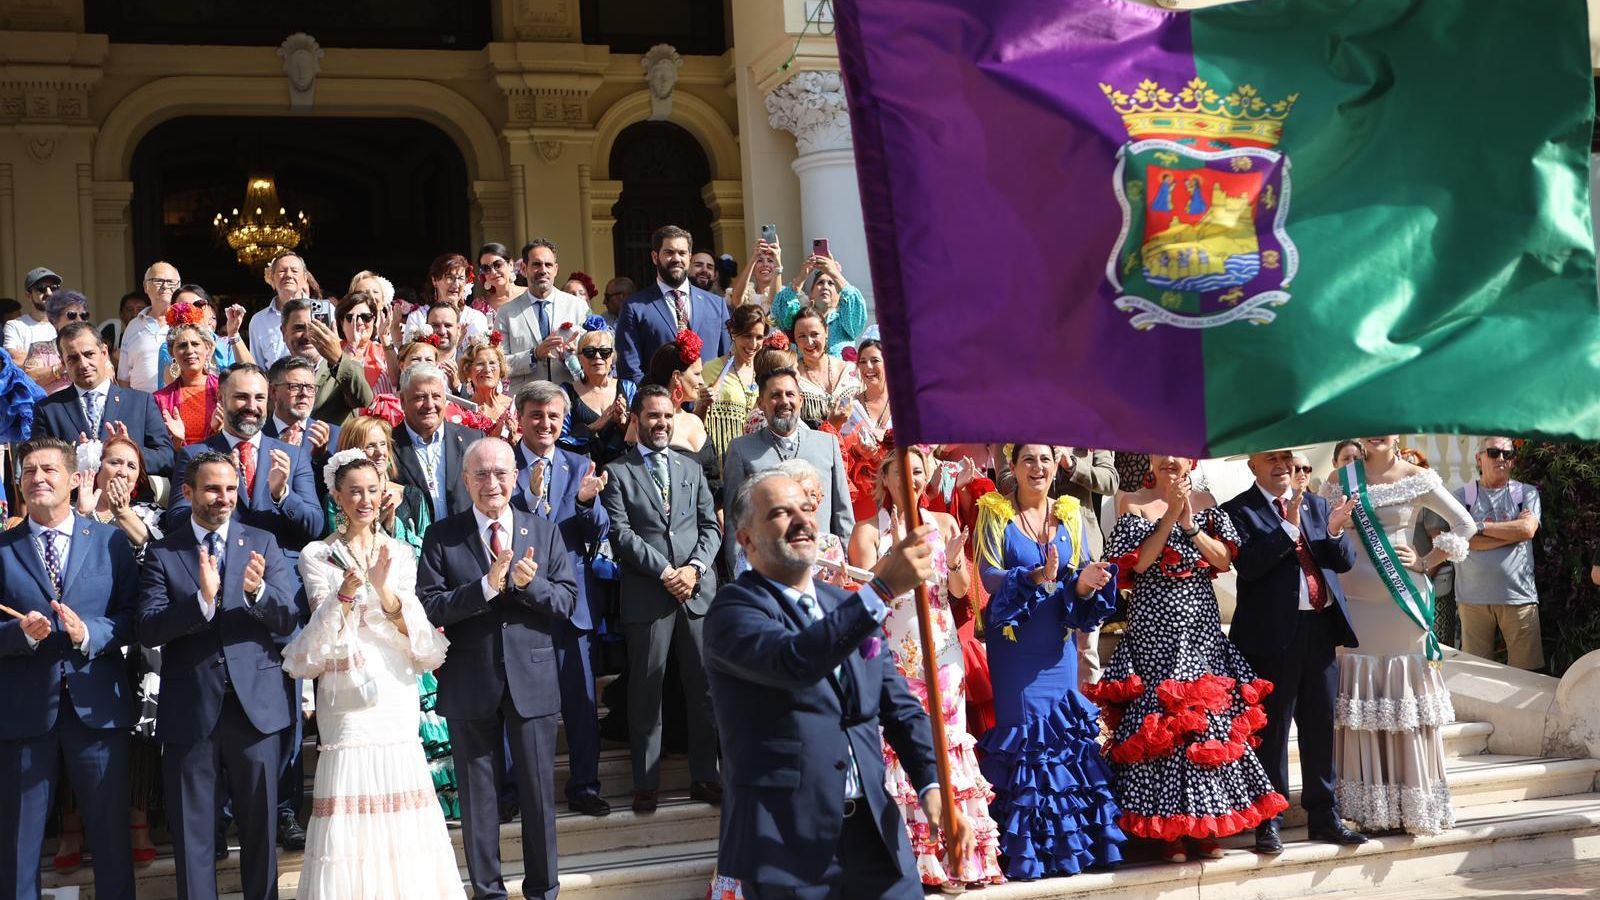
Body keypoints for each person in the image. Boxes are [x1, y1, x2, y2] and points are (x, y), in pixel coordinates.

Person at [703, 469, 972, 898]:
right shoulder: (732, 613)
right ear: (746, 539)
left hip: (876, 837)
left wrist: (932, 784)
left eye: (807, 509)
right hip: (786, 845)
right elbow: (796, 661)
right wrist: (881, 590)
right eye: (779, 512)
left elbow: (900, 708)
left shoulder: (846, 605)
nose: (801, 520)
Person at [282, 450, 466, 899]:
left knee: (401, 789)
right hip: (346, 692)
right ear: (337, 497)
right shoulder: (317, 555)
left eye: (372, 490)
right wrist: (344, 595)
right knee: (348, 789)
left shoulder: (400, 551)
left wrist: (383, 591)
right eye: (354, 492)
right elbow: (320, 635)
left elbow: (414, 632)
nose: (365, 500)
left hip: (394, 686)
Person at [1091, 454, 1286, 863]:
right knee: (1160, 729)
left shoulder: (1207, 501)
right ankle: (1167, 834)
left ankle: (1202, 825)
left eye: (1176, 454)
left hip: (1198, 631)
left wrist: (1189, 523)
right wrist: (1168, 518)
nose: (1168, 461)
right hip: (1153, 634)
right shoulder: (1134, 501)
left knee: (1203, 727)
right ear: (1150, 460)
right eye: (1160, 454)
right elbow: (1139, 563)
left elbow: (1223, 559)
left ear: (1189, 461)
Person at [417, 437, 579, 900]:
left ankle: (543, 891)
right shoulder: (442, 536)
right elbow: (430, 606)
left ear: (517, 477)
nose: (492, 482)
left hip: (533, 679)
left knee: (537, 796)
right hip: (471, 681)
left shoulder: (543, 531)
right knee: (478, 799)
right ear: (465, 480)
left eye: (501, 473)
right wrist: (484, 588)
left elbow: (567, 602)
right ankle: (488, 892)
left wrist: (531, 586)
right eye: (481, 474)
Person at [136, 450, 301, 900]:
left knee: (260, 826)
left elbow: (288, 619)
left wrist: (258, 592)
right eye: (212, 488)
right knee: (193, 832)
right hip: (190, 708)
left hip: (257, 707)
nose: (223, 498)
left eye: (230, 488)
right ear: (187, 492)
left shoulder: (262, 542)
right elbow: (148, 626)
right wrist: (201, 603)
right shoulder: (163, 552)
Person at [847, 446, 1005, 890]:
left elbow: (960, 592)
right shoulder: (868, 531)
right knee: (899, 749)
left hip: (942, 651)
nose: (912, 479)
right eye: (902, 472)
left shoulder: (946, 524)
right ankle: (909, 862)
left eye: (919, 471)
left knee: (946, 746)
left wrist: (956, 559)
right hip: (893, 654)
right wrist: (895, 552)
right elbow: (862, 599)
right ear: (886, 478)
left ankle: (958, 859)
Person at [974, 443, 1124, 879]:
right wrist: (1036, 576)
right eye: (1028, 461)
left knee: (1063, 740)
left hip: (1057, 648)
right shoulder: (995, 511)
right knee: (1027, 745)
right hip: (1015, 648)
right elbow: (987, 574)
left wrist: (1086, 582)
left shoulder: (1070, 512)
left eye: (1044, 459)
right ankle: (1031, 853)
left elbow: (1073, 576)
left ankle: (1069, 850)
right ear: (1013, 468)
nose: (1037, 467)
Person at [0, 437, 139, 900]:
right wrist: (18, 635)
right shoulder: (2, 548)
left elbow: (134, 617)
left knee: (111, 841)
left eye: (48, 470)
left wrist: (88, 634)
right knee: (18, 846)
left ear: (76, 479)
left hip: (97, 711)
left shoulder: (110, 541)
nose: (37, 478)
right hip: (23, 715)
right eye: (28, 471)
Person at [1220, 448, 1367, 854]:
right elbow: (1248, 566)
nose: (1282, 465)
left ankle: (1325, 816)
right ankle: (1269, 819)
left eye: (1287, 457)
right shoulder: (1239, 510)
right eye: (1272, 459)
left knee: (1320, 726)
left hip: (1319, 629)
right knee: (1272, 732)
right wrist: (1286, 528)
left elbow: (1343, 562)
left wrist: (1335, 532)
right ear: (1253, 466)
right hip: (1270, 638)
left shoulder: (1318, 504)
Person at [1327, 435, 1473, 835]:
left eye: (1387, 427)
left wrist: (1428, 560)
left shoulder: (1417, 477)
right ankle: (1369, 806)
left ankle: (1413, 802)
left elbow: (1465, 522)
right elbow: (1325, 530)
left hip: (1401, 603)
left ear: (1397, 434)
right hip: (1353, 604)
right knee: (1363, 698)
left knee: (1401, 697)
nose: (1378, 432)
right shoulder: (1341, 477)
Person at [599, 385, 722, 813]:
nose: (662, 424)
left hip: (696, 591)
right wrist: (666, 572)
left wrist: (694, 570)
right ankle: (645, 783)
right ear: (636, 420)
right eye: (653, 416)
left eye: (668, 416)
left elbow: (711, 526)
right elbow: (621, 534)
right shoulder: (617, 472)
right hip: (648, 593)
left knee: (703, 688)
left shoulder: (690, 468)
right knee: (646, 689)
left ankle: (706, 776)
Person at [511, 382, 613, 817]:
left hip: (574, 605)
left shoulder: (578, 464)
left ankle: (584, 785)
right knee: (517, 706)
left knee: (581, 705)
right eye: (536, 415)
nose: (545, 424)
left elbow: (600, 530)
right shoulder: (501, 464)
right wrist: (531, 497)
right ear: (520, 418)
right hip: (520, 604)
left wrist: (588, 503)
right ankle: (514, 790)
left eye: (554, 416)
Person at [167, 364, 325, 550]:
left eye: (259, 398)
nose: (252, 406)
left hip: (279, 570)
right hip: (217, 564)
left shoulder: (293, 455)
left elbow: (314, 527)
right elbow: (176, 522)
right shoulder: (195, 454)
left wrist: (282, 495)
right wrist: (220, 497)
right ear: (221, 398)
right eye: (241, 397)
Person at [722, 366, 854, 569]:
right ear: (761, 404)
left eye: (790, 394)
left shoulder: (828, 444)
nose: (784, 401)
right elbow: (735, 520)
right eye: (775, 395)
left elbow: (843, 514)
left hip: (823, 568)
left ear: (800, 400)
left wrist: (846, 565)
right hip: (769, 570)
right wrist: (738, 572)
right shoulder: (742, 449)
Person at [38, 321, 174, 478]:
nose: (83, 364)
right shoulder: (48, 409)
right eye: (73, 359)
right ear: (63, 363)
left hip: (132, 499)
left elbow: (166, 458)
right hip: (74, 499)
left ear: (104, 353)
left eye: (89, 354)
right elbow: (39, 463)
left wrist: (130, 451)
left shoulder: (141, 403)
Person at [1454, 436, 1544, 671]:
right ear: (1479, 458)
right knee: (1475, 675)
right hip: (1472, 600)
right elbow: (1460, 540)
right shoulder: (1462, 497)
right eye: (1493, 453)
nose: (1501, 459)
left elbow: (1527, 529)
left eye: (1507, 454)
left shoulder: (1526, 493)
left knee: (1527, 678)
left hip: (1518, 597)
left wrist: (1480, 527)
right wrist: (1510, 534)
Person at [616, 225, 731, 382]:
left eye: (682, 253)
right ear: (655, 257)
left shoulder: (717, 305)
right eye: (669, 253)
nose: (676, 259)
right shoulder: (635, 307)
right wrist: (653, 401)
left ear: (689, 257)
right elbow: (630, 368)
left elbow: (726, 358)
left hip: (709, 400)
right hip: (661, 402)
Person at [391, 363, 483, 523]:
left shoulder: (472, 440)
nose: (429, 405)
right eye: (420, 397)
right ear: (403, 401)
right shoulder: (388, 445)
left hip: (463, 543)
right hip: (412, 544)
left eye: (436, 396)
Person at [497, 239, 588, 391]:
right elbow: (499, 364)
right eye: (537, 264)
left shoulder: (577, 306)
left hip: (571, 396)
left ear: (556, 269)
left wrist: (574, 356)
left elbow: (594, 354)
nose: (543, 270)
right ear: (524, 269)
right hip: (526, 399)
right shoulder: (507, 312)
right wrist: (533, 355)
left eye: (548, 265)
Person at [642, 332, 721, 498]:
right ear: (677, 377)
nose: (701, 381)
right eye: (697, 374)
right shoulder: (647, 424)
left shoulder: (695, 420)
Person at [281, 298, 375, 426]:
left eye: (316, 327)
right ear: (283, 332)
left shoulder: (345, 367)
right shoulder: (278, 373)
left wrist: (337, 360)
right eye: (299, 328)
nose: (308, 335)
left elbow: (363, 399)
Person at [262, 356, 340, 498]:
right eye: (295, 387)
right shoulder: (258, 436)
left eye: (310, 387)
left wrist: (321, 457)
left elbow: (339, 492)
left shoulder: (335, 435)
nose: (304, 393)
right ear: (273, 392)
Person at [559, 325, 636, 468]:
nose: (598, 357)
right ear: (580, 358)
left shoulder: (628, 388)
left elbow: (639, 436)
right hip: (582, 470)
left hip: (623, 469)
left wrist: (622, 422)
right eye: (589, 352)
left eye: (605, 351)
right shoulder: (566, 392)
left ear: (612, 357)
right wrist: (594, 426)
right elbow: (560, 439)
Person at [701, 303, 768, 464]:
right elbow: (697, 421)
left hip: (757, 460)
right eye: (747, 335)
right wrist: (702, 405)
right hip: (722, 459)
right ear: (733, 333)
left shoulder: (765, 370)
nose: (753, 344)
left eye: (759, 337)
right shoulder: (711, 369)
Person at [773, 254, 869, 358]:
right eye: (820, 283)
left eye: (831, 283)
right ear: (811, 294)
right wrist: (802, 277)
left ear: (839, 294)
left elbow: (856, 307)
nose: (825, 287)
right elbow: (779, 309)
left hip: (838, 373)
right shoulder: (800, 319)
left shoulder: (845, 320)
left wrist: (835, 273)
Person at [157, 286, 254, 377]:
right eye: (184, 307)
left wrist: (233, 333)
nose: (191, 311)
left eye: (198, 304)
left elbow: (251, 375)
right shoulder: (168, 348)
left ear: (210, 311)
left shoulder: (226, 345)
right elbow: (171, 389)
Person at [790, 305, 860, 430]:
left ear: (826, 332)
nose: (809, 342)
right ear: (795, 339)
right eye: (802, 336)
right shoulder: (792, 377)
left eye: (814, 334)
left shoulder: (850, 370)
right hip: (814, 447)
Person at [402, 253, 490, 350]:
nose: (456, 285)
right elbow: (411, 357)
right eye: (449, 277)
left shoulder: (475, 318)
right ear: (434, 280)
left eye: (461, 278)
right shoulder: (419, 317)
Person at [153, 323, 220, 448]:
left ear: (207, 348)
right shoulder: (160, 399)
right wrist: (177, 441)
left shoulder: (223, 390)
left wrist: (220, 430)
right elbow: (159, 449)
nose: (190, 351)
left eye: (195, 344)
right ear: (172, 353)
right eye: (182, 346)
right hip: (179, 465)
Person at [118, 261, 179, 392]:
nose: (165, 286)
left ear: (178, 286)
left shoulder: (186, 322)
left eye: (170, 282)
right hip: (141, 406)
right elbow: (123, 378)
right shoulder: (133, 326)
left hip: (179, 404)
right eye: (158, 280)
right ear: (146, 286)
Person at [247, 252, 310, 370]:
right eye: (282, 271)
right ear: (272, 278)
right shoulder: (259, 321)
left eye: (294, 271)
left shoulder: (325, 312)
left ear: (304, 278)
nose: (288, 275)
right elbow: (257, 367)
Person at [24, 288, 93, 394]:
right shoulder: (40, 349)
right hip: (52, 408)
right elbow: (29, 380)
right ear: (55, 321)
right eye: (72, 315)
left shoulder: (96, 347)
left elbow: (108, 376)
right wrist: (63, 366)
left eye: (84, 316)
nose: (79, 320)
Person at [335, 289, 393, 394]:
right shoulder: (333, 351)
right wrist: (352, 346)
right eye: (351, 317)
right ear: (341, 322)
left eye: (366, 317)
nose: (359, 322)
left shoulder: (384, 351)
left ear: (373, 320)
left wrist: (384, 338)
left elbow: (396, 381)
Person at [462, 336, 518, 441]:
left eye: (492, 363)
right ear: (468, 370)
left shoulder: (516, 407)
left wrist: (515, 440)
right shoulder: (463, 411)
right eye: (480, 364)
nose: (487, 369)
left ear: (501, 368)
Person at [8, 266, 61, 367]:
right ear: (28, 295)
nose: (49, 293)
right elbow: (17, 361)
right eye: (41, 288)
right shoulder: (14, 326)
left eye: (54, 287)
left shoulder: (67, 323)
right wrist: (60, 365)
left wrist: (32, 361)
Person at [725, 238, 782, 311]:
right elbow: (736, 300)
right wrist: (754, 257)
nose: (765, 264)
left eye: (770, 260)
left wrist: (778, 265)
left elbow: (776, 304)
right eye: (760, 261)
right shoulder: (747, 293)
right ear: (753, 269)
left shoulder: (786, 293)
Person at [475, 241, 528, 317]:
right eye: (486, 268)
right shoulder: (480, 306)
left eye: (498, 265)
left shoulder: (531, 295)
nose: (493, 272)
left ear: (510, 264)